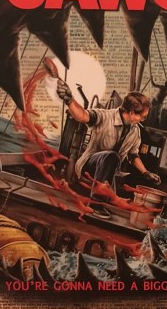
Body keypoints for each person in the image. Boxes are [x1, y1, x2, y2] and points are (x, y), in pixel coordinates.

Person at [56, 80, 160, 218]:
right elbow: (83, 116)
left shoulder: (135, 131)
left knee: (113, 161)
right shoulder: (105, 116)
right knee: (112, 156)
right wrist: (69, 100)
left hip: (110, 174)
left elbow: (133, 155)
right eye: (142, 116)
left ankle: (107, 198)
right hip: (89, 166)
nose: (142, 120)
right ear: (131, 112)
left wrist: (146, 173)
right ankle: (96, 203)